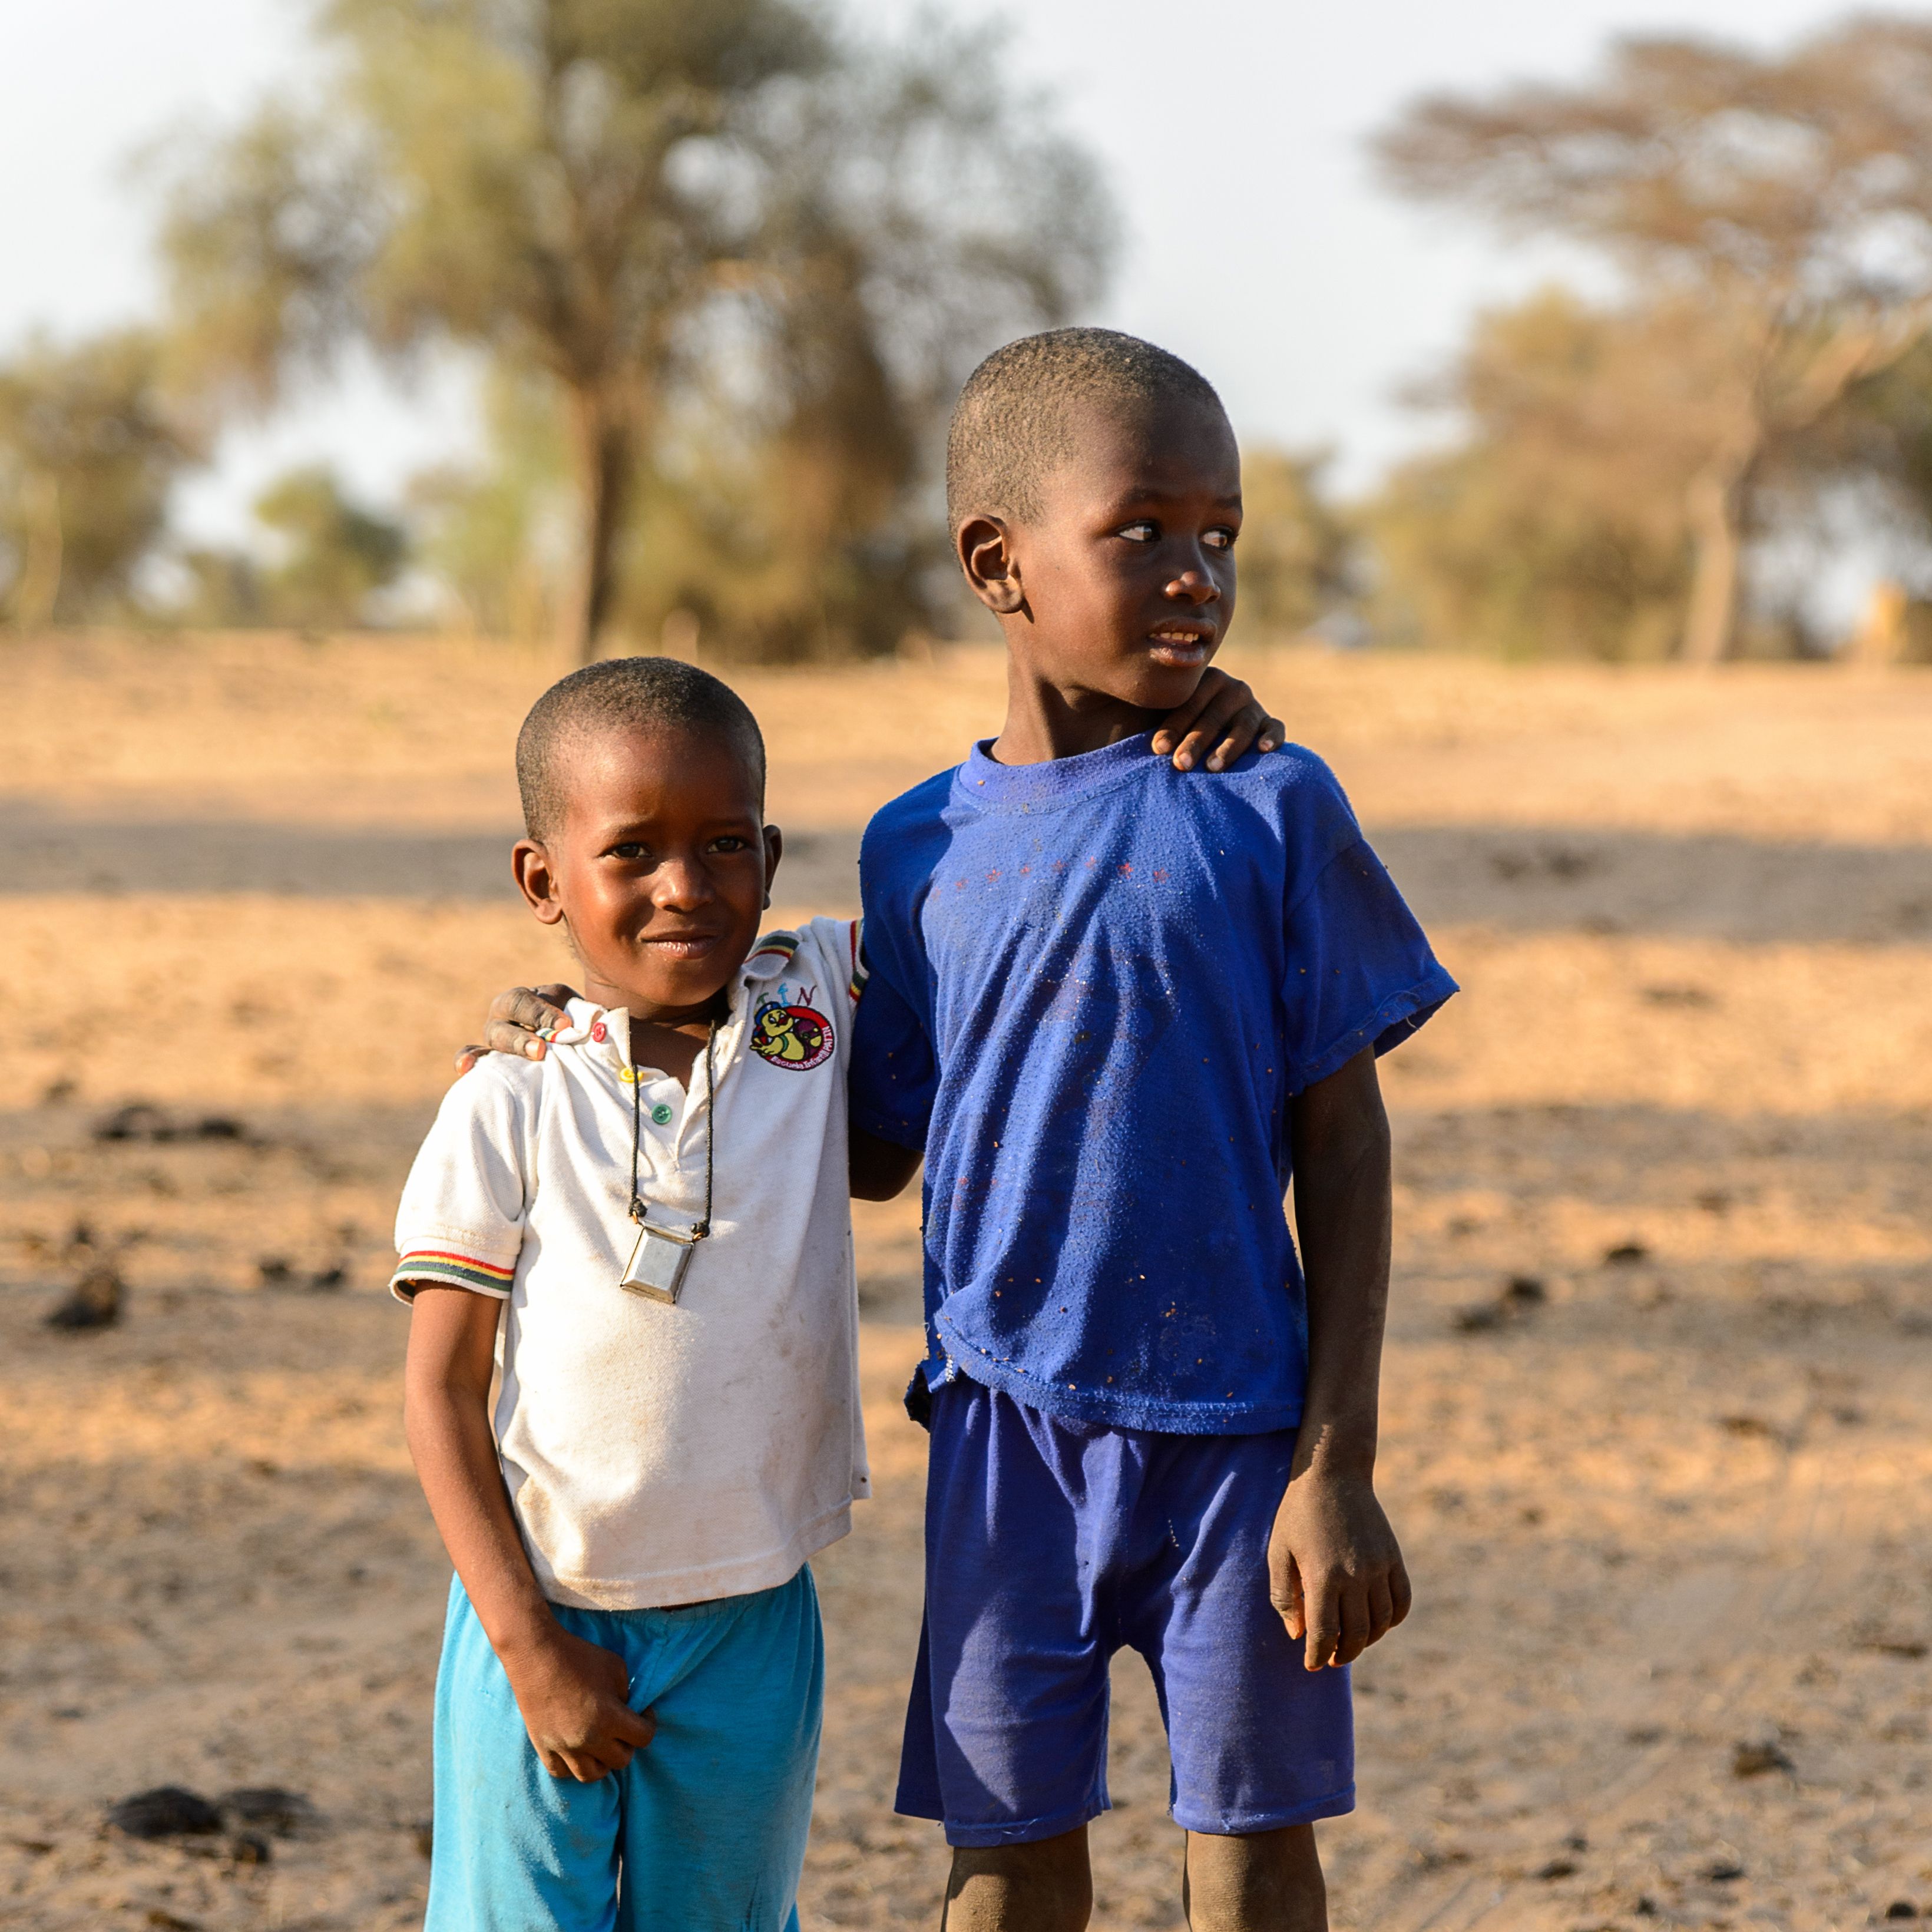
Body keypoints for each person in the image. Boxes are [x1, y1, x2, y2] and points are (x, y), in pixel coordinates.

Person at [413, 651, 1283, 1932]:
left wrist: (1180, 724)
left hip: (755, 1617)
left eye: (722, 845)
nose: (683, 887)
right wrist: (527, 1650)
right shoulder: (511, 1094)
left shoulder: (810, 998)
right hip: (540, 1608)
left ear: (768, 854)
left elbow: (1016, 871)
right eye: (631, 854)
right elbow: (438, 1389)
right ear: (542, 881)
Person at [843, 329, 1458, 1932]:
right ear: (999, 561)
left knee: (1254, 1857)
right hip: (1000, 1435)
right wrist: (641, 1020)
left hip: (1244, 1440)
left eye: (1224, 537)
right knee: (1004, 1857)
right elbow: (865, 1147)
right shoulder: (914, 849)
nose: (1198, 575)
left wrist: (1338, 1465)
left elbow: (1346, 1145)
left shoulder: (1272, 806)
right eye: (1146, 532)